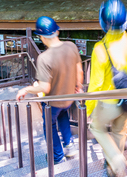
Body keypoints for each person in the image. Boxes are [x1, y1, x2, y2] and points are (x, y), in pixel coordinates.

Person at [86, 0, 127, 177]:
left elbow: (96, 85)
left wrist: (88, 109)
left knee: (96, 128)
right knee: (119, 131)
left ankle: (116, 161)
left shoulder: (99, 49)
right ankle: (114, 170)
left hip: (109, 103)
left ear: (102, 22)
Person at [17, 16, 83, 164]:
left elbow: (45, 87)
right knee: (63, 115)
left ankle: (58, 157)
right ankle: (70, 146)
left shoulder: (44, 58)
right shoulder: (71, 46)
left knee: (49, 125)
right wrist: (78, 86)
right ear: (57, 31)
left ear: (41, 37)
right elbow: (80, 71)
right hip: (69, 98)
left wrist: (27, 89)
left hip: (53, 102)